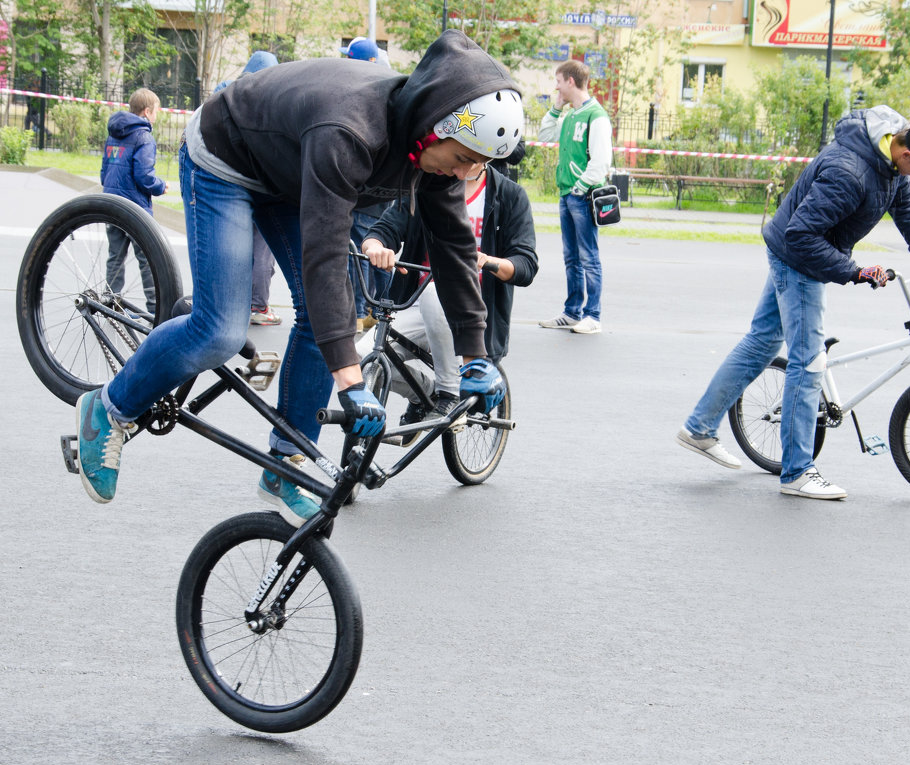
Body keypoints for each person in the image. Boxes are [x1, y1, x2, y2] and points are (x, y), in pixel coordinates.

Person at [74, 30, 520, 528]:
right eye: (463, 158)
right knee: (220, 330)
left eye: (478, 166)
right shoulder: (351, 131)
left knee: (328, 318)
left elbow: (455, 247)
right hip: (227, 155)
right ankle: (107, 410)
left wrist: (474, 356)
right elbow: (324, 255)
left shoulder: (435, 155)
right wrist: (349, 382)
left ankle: (287, 460)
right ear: (433, 129)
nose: (466, 174)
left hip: (290, 171)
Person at [676, 106, 910, 500]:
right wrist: (853, 271)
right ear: (906, 154)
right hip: (799, 258)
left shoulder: (891, 156)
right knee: (808, 363)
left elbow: (902, 196)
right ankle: (797, 472)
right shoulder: (850, 173)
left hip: (798, 249)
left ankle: (699, 428)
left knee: (762, 342)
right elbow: (802, 236)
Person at [360, 160, 538, 444]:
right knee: (361, 359)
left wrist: (487, 260)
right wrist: (375, 248)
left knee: (436, 292)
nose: (459, 160)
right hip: (417, 303)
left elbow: (526, 265)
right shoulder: (427, 183)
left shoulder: (509, 195)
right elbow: (385, 229)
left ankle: (449, 393)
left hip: (475, 312)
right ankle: (428, 392)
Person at [536, 60, 612, 335]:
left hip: (582, 195)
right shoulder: (569, 116)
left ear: (570, 81)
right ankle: (572, 312)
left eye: (558, 82)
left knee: (588, 256)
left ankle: (593, 315)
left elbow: (601, 162)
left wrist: (579, 188)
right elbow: (544, 135)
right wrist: (556, 107)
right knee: (571, 257)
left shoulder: (596, 116)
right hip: (567, 194)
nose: (556, 87)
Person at [213, 51, 284, 327]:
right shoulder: (271, 101)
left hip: (226, 185)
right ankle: (257, 306)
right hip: (261, 187)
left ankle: (228, 305)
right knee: (261, 252)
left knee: (233, 249)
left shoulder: (226, 95)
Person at [340, 35, 392, 333]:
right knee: (380, 250)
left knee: (360, 253)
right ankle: (382, 308)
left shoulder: (362, 93)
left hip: (366, 191)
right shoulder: (387, 87)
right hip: (385, 192)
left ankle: (360, 311)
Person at [101, 88, 169, 315]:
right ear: (148, 112)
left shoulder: (113, 134)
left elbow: (104, 172)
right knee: (147, 259)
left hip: (111, 204)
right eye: (156, 111)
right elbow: (143, 176)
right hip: (135, 208)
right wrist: (161, 186)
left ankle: (110, 302)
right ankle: (155, 308)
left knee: (115, 257)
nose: (156, 116)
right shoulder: (144, 137)